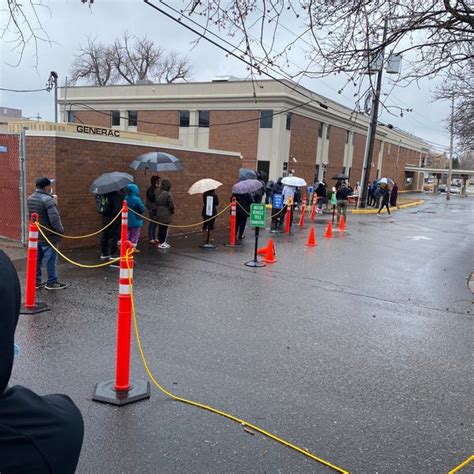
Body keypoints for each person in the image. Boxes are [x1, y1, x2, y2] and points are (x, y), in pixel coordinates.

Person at [0, 250, 84, 473]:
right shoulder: (48, 435)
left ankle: (38, 279)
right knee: (49, 257)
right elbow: (65, 411)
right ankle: (51, 280)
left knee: (40, 257)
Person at [27, 177, 67, 290]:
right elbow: (54, 219)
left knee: (36, 260)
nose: (51, 187)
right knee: (50, 260)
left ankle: (36, 281)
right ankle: (52, 282)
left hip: (37, 236)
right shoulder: (48, 200)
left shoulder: (30, 198)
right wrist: (61, 231)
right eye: (50, 185)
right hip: (49, 237)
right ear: (46, 187)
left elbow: (31, 217)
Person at [98, 190, 122, 259]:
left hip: (105, 217)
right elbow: (117, 208)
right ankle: (113, 253)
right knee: (113, 235)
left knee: (105, 234)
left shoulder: (103, 193)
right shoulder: (115, 194)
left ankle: (104, 253)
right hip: (114, 217)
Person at [155, 179, 174, 249]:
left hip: (158, 211)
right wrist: (172, 211)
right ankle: (163, 242)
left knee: (160, 228)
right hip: (166, 212)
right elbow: (171, 204)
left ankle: (160, 242)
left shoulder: (158, 192)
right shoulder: (168, 194)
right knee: (165, 228)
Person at [125, 183, 145, 248]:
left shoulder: (126, 198)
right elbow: (142, 208)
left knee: (128, 233)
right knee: (135, 234)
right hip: (136, 219)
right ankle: (133, 247)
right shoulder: (137, 199)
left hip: (127, 219)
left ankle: (126, 246)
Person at [146, 176, 161, 245]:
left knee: (155, 224)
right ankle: (151, 238)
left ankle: (154, 237)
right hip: (152, 208)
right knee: (152, 223)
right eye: (158, 181)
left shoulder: (156, 189)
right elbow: (152, 198)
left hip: (156, 208)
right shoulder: (150, 189)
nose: (159, 182)